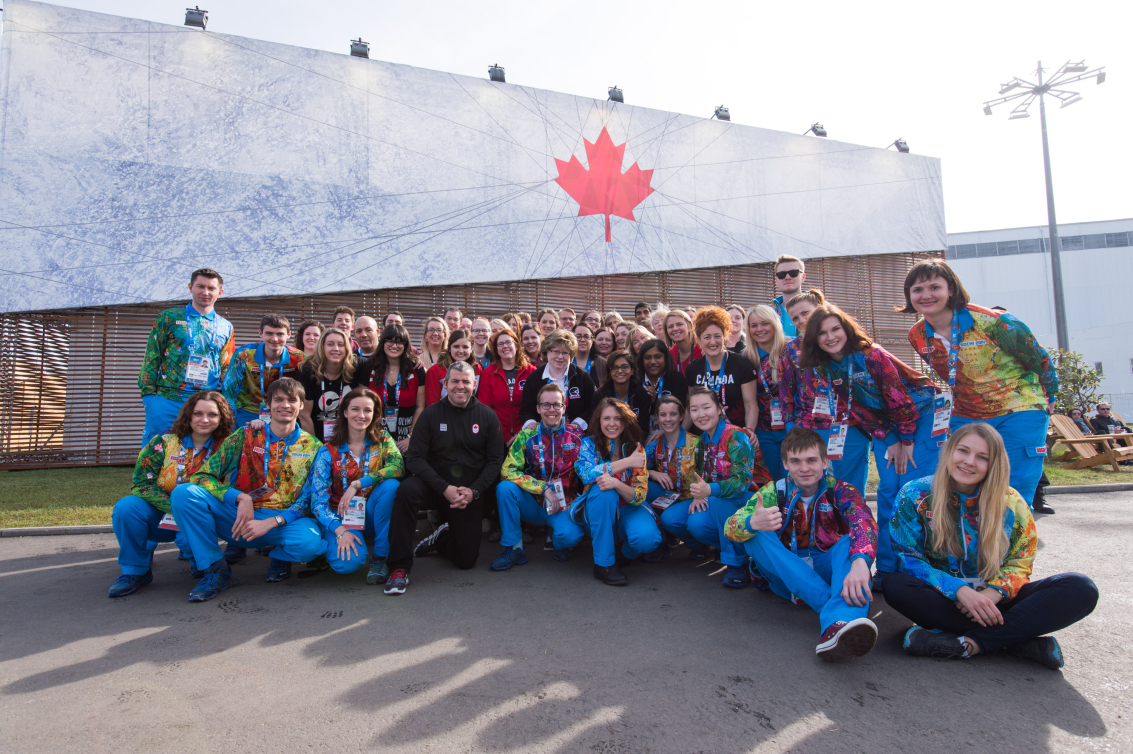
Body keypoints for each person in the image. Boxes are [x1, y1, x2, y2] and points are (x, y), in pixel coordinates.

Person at [883, 423, 1098, 669]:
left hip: (997, 599)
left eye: (982, 457)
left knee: (1080, 588)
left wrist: (991, 594)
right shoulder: (915, 494)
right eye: (963, 451)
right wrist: (960, 590)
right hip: (943, 597)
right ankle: (1018, 642)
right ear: (950, 451)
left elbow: (1021, 561)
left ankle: (969, 644)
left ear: (994, 464)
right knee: (895, 584)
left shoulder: (1012, 502)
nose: (969, 462)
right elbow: (909, 559)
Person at [798, 303, 940, 587]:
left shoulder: (872, 355)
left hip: (920, 416)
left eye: (835, 329)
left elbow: (900, 399)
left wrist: (906, 440)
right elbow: (858, 411)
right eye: (822, 333)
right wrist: (889, 438)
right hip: (886, 426)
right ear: (814, 338)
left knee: (910, 489)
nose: (830, 337)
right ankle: (887, 568)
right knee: (888, 488)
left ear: (846, 329)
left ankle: (918, 566)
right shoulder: (824, 367)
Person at [902, 259, 1057, 506]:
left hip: (1018, 409)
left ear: (950, 289)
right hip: (967, 414)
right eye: (917, 290)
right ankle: (971, 544)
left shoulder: (995, 322)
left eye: (934, 287)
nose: (926, 295)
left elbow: (1040, 361)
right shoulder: (917, 335)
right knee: (966, 489)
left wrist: (1051, 398)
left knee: (1011, 491)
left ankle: (1008, 545)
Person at [725, 427, 879, 661]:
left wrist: (860, 562)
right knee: (755, 533)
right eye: (795, 461)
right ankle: (836, 612)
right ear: (785, 464)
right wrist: (752, 522)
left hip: (826, 565)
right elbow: (730, 526)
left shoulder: (841, 491)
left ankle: (839, 627)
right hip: (786, 572)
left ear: (825, 461)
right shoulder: (774, 491)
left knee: (850, 542)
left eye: (811, 460)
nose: (804, 468)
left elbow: (864, 522)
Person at [170, 378, 325, 601]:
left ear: (302, 405)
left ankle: (279, 555)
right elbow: (202, 476)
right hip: (240, 517)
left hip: (282, 520)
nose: (285, 405)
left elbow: (309, 499)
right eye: (278, 399)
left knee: (309, 544)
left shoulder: (314, 447)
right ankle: (216, 569)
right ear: (268, 404)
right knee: (184, 494)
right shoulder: (246, 435)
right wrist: (239, 497)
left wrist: (273, 522)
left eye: (292, 400)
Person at [383, 362, 507, 594]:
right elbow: (415, 459)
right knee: (406, 491)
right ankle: (398, 568)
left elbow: (495, 461)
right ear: (445, 384)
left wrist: (474, 491)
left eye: (466, 382)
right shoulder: (430, 415)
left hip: (467, 493)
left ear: (475, 384)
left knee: (466, 561)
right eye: (455, 381)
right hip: (434, 485)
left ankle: (441, 537)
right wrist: (443, 487)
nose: (460, 386)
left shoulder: (488, 417)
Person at [108, 391, 234, 597]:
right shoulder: (163, 442)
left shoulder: (227, 445)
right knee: (126, 508)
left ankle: (210, 568)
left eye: (212, 415)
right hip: (162, 513)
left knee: (194, 558)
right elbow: (142, 484)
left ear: (222, 418)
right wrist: (174, 508)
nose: (204, 420)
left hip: (200, 516)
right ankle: (136, 571)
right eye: (198, 413)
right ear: (188, 415)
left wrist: (256, 424)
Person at [662, 387, 770, 588]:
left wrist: (710, 491)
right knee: (673, 518)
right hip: (717, 497)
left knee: (717, 504)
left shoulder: (737, 436)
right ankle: (729, 547)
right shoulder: (703, 440)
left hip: (752, 499)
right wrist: (699, 495)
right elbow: (703, 476)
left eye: (706, 407)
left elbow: (741, 483)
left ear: (719, 408)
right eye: (694, 409)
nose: (700, 414)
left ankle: (737, 564)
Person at [308, 388, 404, 584]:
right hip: (342, 517)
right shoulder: (328, 450)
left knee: (391, 486)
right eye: (355, 409)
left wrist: (359, 483)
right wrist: (339, 530)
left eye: (368, 410)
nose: (361, 415)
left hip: (371, 512)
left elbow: (398, 467)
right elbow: (318, 502)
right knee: (346, 565)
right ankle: (326, 544)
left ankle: (380, 557)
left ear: (375, 414)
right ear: (345, 412)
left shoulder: (383, 439)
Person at [490, 383, 588, 571]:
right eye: (546, 405)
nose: (551, 410)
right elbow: (508, 470)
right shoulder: (527, 435)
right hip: (533, 503)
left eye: (556, 405)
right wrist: (542, 488)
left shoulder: (577, 436)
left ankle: (560, 544)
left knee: (570, 536)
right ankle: (514, 548)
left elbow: (590, 469)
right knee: (504, 488)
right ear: (538, 408)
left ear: (564, 407)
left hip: (563, 504)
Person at [138, 268, 235, 445]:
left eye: (211, 288)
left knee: (201, 457)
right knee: (158, 454)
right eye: (200, 286)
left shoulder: (225, 326)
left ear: (219, 292)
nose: (205, 292)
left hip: (207, 402)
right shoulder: (169, 318)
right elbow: (152, 357)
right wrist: (149, 398)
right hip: (168, 399)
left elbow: (226, 367)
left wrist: (225, 403)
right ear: (190, 287)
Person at [574, 398, 660, 585]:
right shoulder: (589, 445)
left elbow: (639, 495)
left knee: (648, 539)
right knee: (604, 490)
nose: (612, 424)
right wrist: (627, 463)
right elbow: (587, 475)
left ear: (625, 421)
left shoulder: (636, 448)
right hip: (599, 510)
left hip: (629, 507)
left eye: (617, 418)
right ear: (598, 421)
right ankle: (603, 564)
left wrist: (617, 484)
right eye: (606, 418)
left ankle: (625, 554)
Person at [353, 323, 426, 453]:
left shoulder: (416, 369)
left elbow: (421, 406)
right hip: (375, 436)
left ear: (406, 345)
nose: (394, 346)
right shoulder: (369, 367)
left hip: (407, 437)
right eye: (390, 341)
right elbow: (361, 403)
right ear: (383, 343)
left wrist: (411, 436)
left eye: (399, 343)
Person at [222, 314, 305, 428]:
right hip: (248, 410)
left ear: (288, 335)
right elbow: (229, 391)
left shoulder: (299, 358)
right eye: (269, 333)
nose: (274, 339)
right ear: (260, 333)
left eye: (280, 334)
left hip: (283, 410)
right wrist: (231, 424)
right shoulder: (243, 355)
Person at [644, 395, 700, 560]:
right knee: (641, 488)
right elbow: (636, 467)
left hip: (692, 498)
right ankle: (661, 543)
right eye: (663, 415)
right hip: (669, 496)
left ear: (681, 416)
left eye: (673, 414)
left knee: (671, 518)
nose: (668, 419)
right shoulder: (656, 443)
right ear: (658, 417)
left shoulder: (697, 443)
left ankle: (699, 545)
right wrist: (652, 473)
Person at [685, 307, 757, 433]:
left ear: (725, 337)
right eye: (707, 337)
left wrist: (749, 431)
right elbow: (691, 406)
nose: (713, 342)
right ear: (699, 340)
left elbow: (750, 405)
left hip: (736, 437)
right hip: (704, 436)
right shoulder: (693, 369)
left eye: (717, 336)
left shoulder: (742, 364)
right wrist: (679, 434)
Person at [520, 330, 597, 430]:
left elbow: (592, 407)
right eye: (556, 351)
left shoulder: (582, 376)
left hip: (575, 435)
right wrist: (531, 423)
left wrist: (578, 424)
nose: (560, 357)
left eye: (565, 353)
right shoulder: (534, 378)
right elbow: (526, 410)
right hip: (542, 436)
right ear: (547, 351)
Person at [745, 305, 788, 481]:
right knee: (771, 481)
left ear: (775, 324)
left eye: (765, 323)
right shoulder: (747, 356)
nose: (759, 329)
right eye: (754, 325)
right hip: (764, 430)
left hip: (792, 428)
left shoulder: (791, 350)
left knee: (793, 478)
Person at [296, 327, 355, 443]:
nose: (336, 349)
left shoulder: (355, 368)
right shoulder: (307, 371)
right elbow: (304, 415)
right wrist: (316, 447)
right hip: (315, 436)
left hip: (348, 440)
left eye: (341, 344)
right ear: (322, 347)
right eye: (330, 344)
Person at [479, 327, 536, 445]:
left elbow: (536, 405)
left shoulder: (531, 371)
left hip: (526, 435)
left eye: (508, 342)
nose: (505, 346)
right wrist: (505, 437)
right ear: (496, 350)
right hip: (496, 436)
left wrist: (521, 433)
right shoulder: (488, 373)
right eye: (500, 344)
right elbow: (485, 408)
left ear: (516, 345)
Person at [637, 339, 689, 432]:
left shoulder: (677, 380)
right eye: (647, 357)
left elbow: (681, 411)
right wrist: (647, 402)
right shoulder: (635, 380)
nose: (653, 361)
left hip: (671, 432)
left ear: (666, 358)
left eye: (658, 357)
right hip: (640, 433)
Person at [595, 351, 652, 435]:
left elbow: (644, 428)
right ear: (609, 372)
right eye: (614, 368)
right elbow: (596, 426)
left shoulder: (641, 393)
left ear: (632, 370)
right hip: (606, 442)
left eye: (625, 367)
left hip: (635, 441)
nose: (620, 371)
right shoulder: (600, 395)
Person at [424, 329, 482, 405]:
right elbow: (432, 403)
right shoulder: (435, 370)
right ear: (449, 348)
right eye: (456, 346)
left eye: (465, 347)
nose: (461, 351)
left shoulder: (477, 368)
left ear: (471, 349)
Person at [770, 255, 807, 337]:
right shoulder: (769, 314)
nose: (787, 277)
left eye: (793, 273)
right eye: (781, 274)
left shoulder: (820, 307)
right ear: (776, 280)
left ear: (803, 277)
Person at [665, 310, 701, 374]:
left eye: (679, 324)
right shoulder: (670, 354)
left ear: (689, 325)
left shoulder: (702, 349)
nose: (675, 329)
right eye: (670, 326)